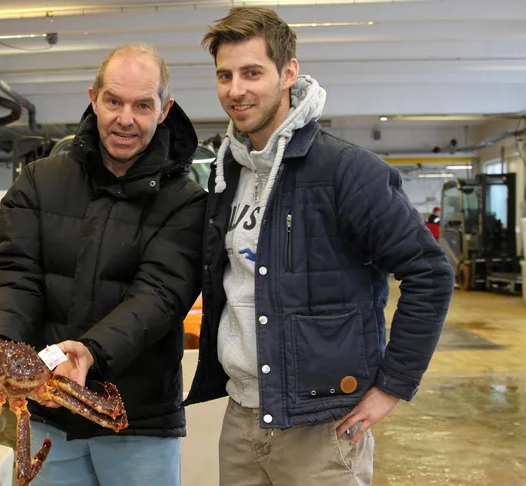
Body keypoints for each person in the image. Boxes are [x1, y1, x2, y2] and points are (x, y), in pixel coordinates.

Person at [183, 7, 455, 485]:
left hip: (322, 427)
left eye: (252, 73)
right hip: (242, 416)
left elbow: (429, 272)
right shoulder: (227, 175)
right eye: (224, 75)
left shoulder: (346, 171)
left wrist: (392, 386)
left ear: (289, 72)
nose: (235, 90)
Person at [0, 43, 207, 485]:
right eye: (114, 101)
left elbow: (160, 294)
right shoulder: (38, 182)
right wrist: (1, 349)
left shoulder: (185, 201)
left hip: (138, 420)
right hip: (46, 417)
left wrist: (91, 352)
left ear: (165, 110)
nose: (126, 119)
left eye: (143, 105)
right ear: (93, 98)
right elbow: (14, 275)